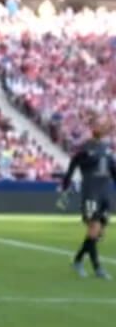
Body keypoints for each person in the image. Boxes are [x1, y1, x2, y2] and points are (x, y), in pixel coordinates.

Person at [60, 114, 115, 280]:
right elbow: (73, 165)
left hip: (105, 193)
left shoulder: (107, 150)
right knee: (94, 229)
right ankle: (97, 267)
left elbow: (113, 171)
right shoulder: (85, 148)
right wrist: (66, 183)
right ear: (94, 129)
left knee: (99, 233)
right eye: (100, 125)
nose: (104, 127)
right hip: (91, 192)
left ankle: (78, 260)